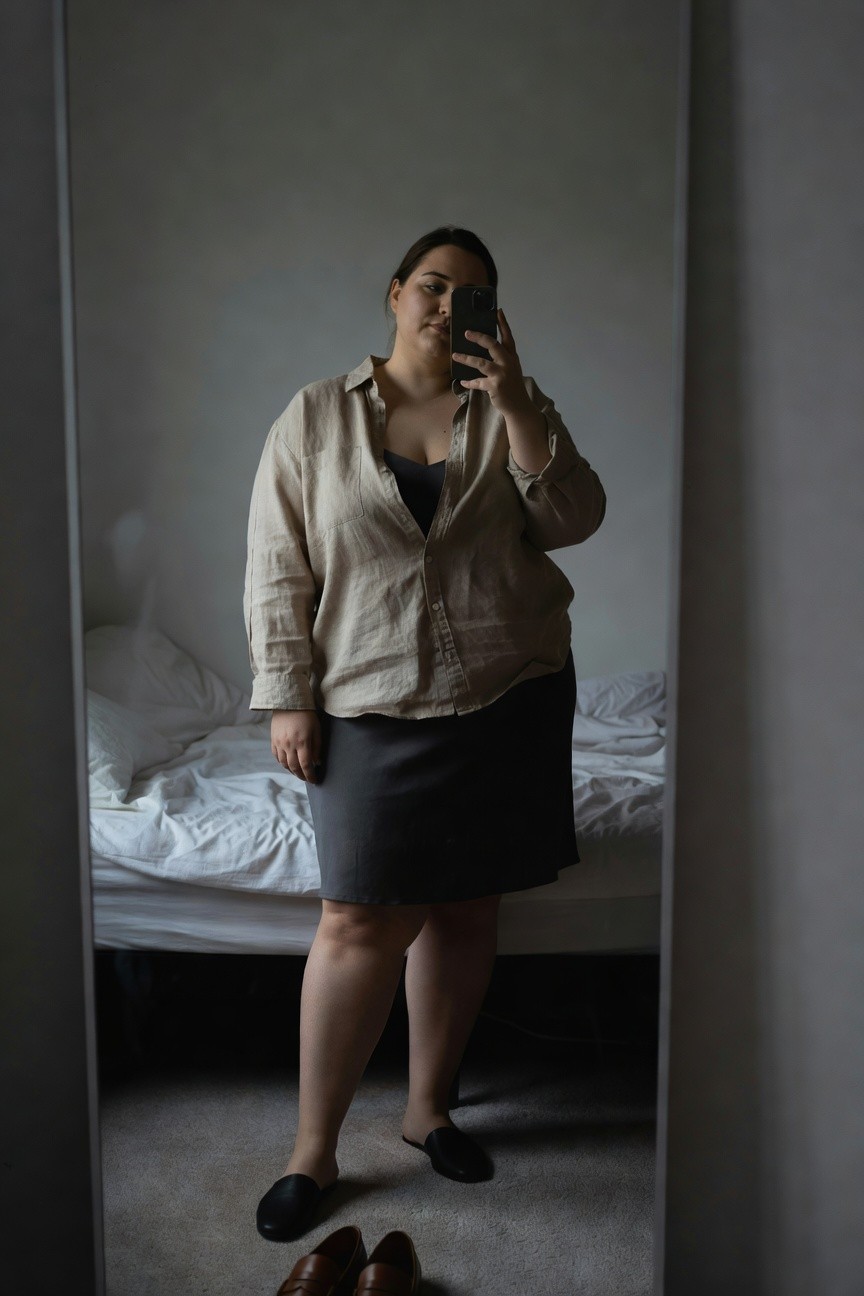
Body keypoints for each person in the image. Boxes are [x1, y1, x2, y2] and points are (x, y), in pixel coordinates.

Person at [244, 226, 607, 1241]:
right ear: (395, 293)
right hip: (368, 698)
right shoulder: (315, 417)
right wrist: (288, 695)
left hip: (510, 691)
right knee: (357, 924)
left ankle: (426, 1110)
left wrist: (523, 407)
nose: (449, 307)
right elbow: (278, 566)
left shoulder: (513, 412)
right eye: (434, 287)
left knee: (466, 913)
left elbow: (576, 516)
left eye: (474, 294)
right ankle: (313, 1151)